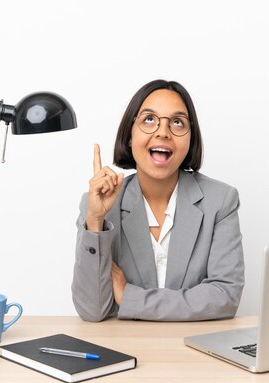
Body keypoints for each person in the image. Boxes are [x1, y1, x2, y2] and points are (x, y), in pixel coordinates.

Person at [72, 79, 244, 322]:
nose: (163, 132)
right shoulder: (98, 204)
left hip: (195, 350)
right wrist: (95, 222)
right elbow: (92, 311)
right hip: (126, 348)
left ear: (190, 140)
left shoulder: (220, 201)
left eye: (177, 122)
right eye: (149, 119)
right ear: (130, 135)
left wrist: (129, 297)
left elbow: (224, 297)